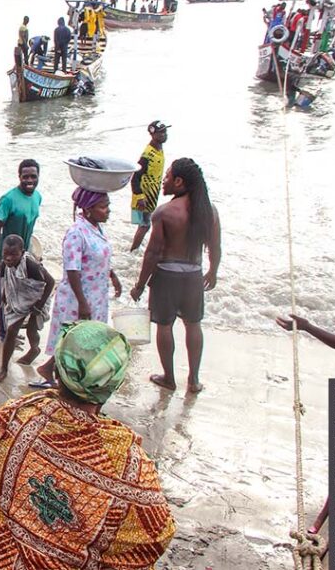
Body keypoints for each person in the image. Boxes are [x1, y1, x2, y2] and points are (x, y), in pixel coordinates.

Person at [0, 321, 175, 568]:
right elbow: (156, 535)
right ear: (114, 385)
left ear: (57, 372)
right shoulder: (128, 463)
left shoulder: (9, 417)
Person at [130, 158, 220, 394]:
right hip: (193, 277)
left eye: (167, 176)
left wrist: (140, 285)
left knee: (165, 326)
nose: (163, 181)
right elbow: (215, 247)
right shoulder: (209, 211)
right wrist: (213, 271)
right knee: (193, 325)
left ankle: (169, 378)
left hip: (167, 277)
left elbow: (153, 253)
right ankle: (193, 380)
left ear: (179, 182)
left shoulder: (164, 212)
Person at [34, 187, 121, 387]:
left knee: (84, 338)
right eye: (103, 206)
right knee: (73, 339)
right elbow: (72, 269)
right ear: (88, 210)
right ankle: (55, 373)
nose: (108, 210)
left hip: (96, 294)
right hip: (77, 297)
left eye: (108, 206)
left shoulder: (97, 228)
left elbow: (98, 256)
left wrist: (113, 275)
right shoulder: (76, 232)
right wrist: (82, 302)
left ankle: (57, 372)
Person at [0, 159, 42, 340]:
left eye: (33, 176)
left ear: (38, 177)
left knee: (17, 293)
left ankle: (11, 329)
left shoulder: (37, 197)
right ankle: (2, 332)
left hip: (24, 255)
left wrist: (32, 254)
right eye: (25, 176)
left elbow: (31, 225)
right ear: (19, 176)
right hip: (6, 257)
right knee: (3, 295)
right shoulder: (8, 199)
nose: (29, 180)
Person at [0, 234, 54, 379]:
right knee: (11, 330)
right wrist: (4, 296)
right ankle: (3, 369)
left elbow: (50, 282)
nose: (9, 258)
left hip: (38, 296)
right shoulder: (5, 264)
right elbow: (7, 281)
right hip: (19, 298)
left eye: (14, 254)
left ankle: (34, 349)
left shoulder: (31, 265)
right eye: (5, 254)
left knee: (32, 329)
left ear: (23, 252)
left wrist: (39, 304)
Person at [130, 120, 170, 251]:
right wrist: (140, 196)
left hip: (152, 194)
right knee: (145, 225)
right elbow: (135, 177)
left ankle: (136, 248)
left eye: (165, 131)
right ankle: (133, 250)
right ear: (152, 135)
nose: (165, 134)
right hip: (144, 195)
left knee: (145, 224)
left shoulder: (159, 149)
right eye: (161, 132)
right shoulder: (148, 154)